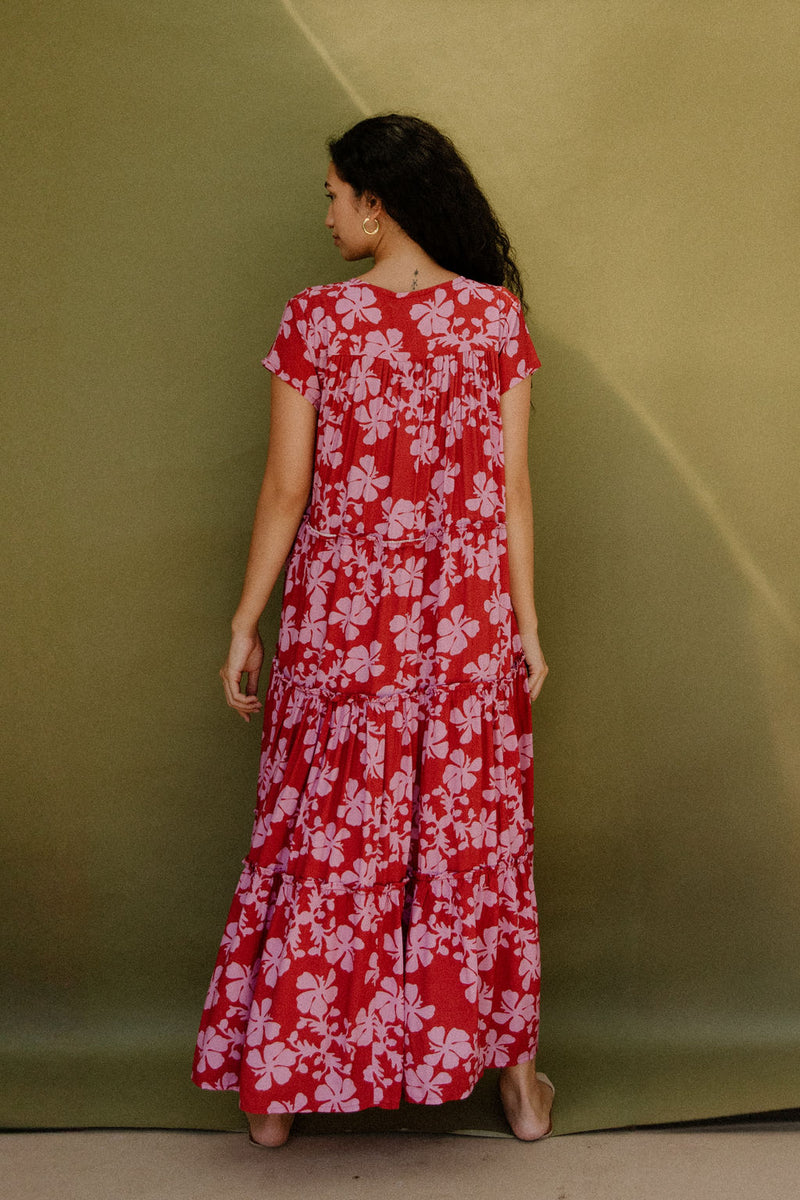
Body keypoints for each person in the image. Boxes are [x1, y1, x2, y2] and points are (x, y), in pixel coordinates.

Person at [191, 114, 553, 1147]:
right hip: (461, 622)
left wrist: (244, 620)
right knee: (466, 841)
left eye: (332, 192)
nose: (326, 211)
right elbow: (511, 491)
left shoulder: (315, 319)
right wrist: (526, 626)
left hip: (342, 627)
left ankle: (274, 1096)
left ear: (374, 201)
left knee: (322, 839)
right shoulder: (494, 321)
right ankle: (518, 1084)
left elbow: (283, 490)